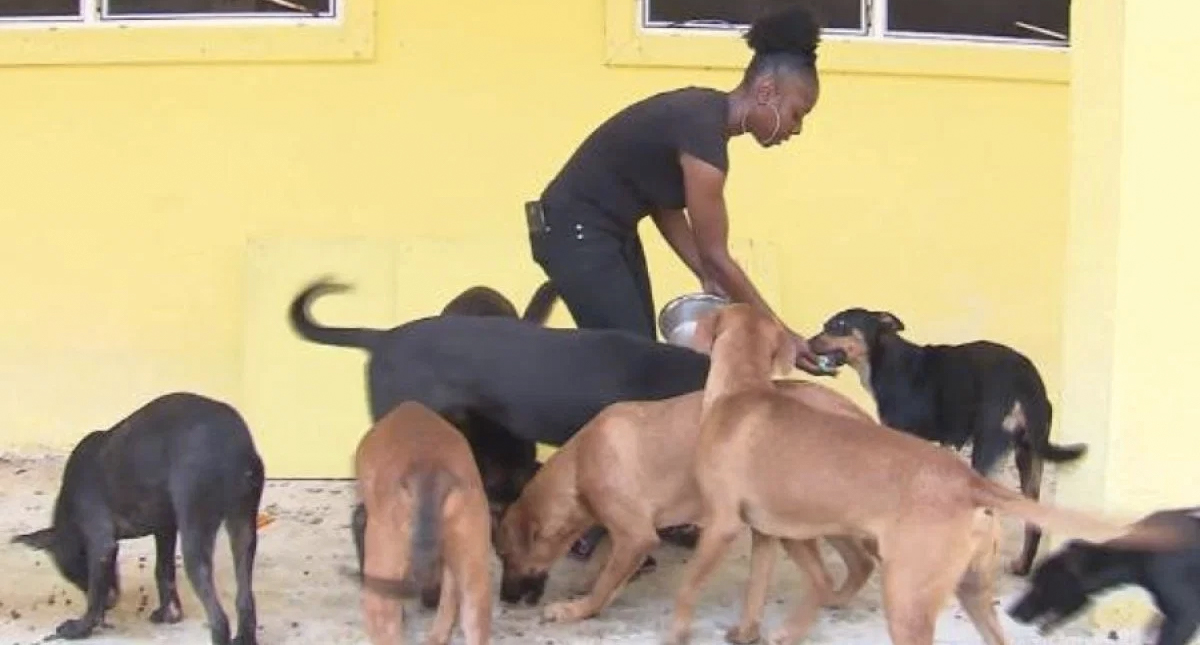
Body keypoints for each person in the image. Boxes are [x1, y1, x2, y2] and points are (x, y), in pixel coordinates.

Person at [523, 3, 828, 562]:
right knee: (627, 373)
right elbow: (717, 252)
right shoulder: (703, 137)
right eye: (797, 111)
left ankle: (644, 506)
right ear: (765, 93)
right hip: (573, 231)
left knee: (641, 365)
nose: (796, 129)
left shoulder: (699, 122)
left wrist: (711, 283)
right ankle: (588, 515)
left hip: (604, 232)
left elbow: (673, 220)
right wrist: (781, 333)